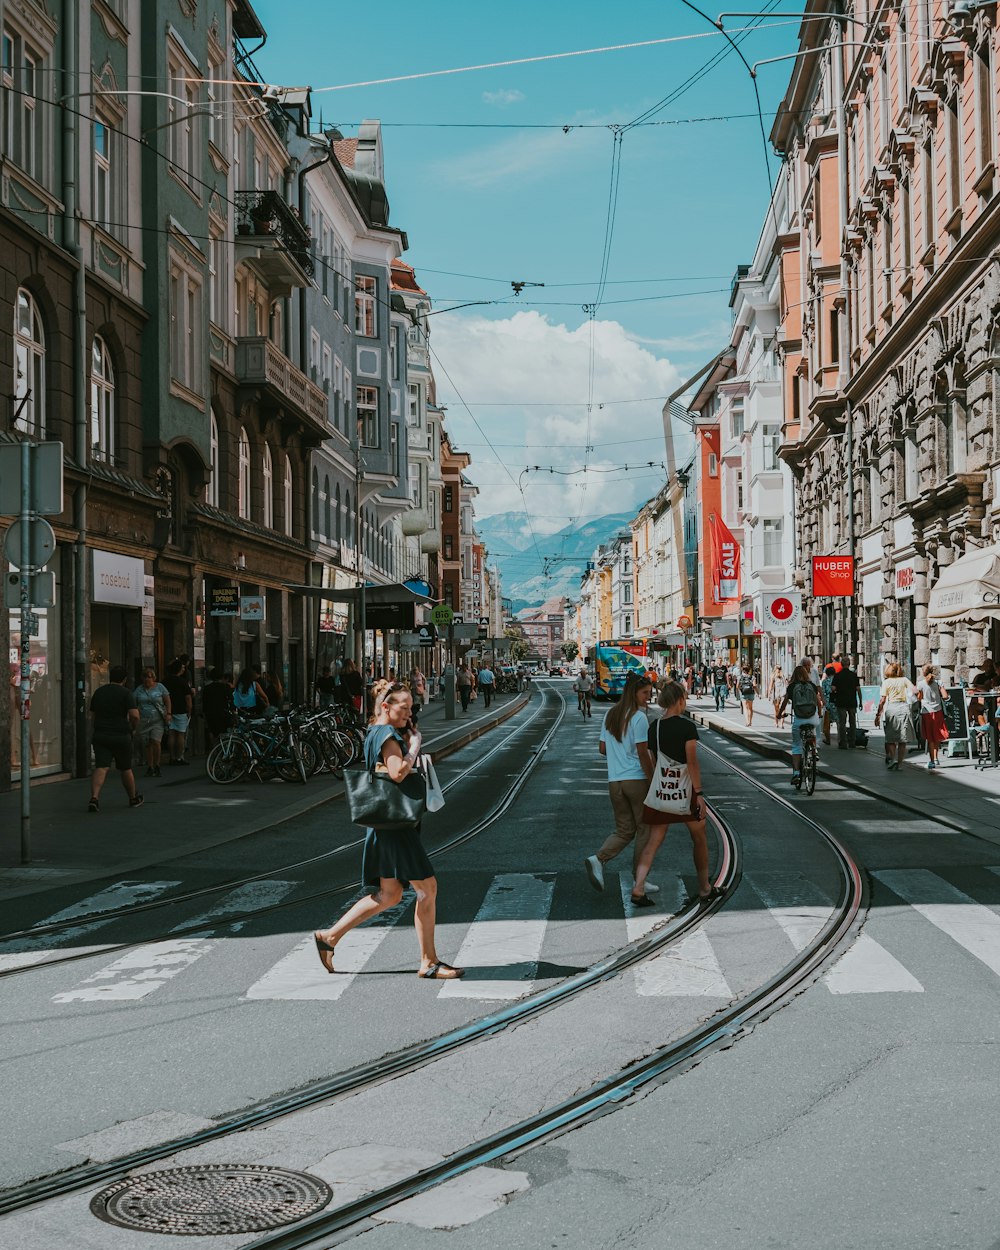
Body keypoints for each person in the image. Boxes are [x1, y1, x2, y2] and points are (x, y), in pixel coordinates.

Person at [312, 682, 464, 980]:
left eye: (410, 708)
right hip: (396, 827)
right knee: (427, 889)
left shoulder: (373, 732)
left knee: (390, 894)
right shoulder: (386, 735)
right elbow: (396, 773)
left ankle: (329, 937)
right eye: (403, 708)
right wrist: (415, 747)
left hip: (385, 823)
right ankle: (428, 962)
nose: (409, 713)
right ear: (386, 707)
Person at [631, 680, 720, 907]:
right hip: (685, 790)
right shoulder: (686, 727)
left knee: (653, 841)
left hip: (664, 791)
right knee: (699, 838)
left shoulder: (655, 727)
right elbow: (692, 762)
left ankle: (638, 887)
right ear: (680, 700)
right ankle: (704, 888)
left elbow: (655, 761)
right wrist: (698, 794)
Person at [584, 674, 656, 894]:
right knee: (644, 829)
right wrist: (653, 780)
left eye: (650, 692)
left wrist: (619, 754)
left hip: (615, 782)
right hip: (636, 780)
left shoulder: (611, 714)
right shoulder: (639, 718)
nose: (649, 696)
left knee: (624, 830)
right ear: (633, 692)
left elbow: (602, 749)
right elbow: (643, 753)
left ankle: (598, 859)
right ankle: (639, 880)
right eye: (645, 693)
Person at [88, 665, 143, 812]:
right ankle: (133, 798)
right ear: (124, 680)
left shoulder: (99, 692)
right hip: (120, 735)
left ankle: (94, 798)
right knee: (125, 768)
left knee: (101, 766)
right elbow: (134, 715)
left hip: (101, 734)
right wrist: (133, 727)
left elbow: (92, 715)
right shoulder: (126, 693)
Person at [777, 664, 823, 786]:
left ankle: (796, 773)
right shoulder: (812, 686)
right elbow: (819, 703)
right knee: (812, 730)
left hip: (799, 719)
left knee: (796, 745)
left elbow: (784, 702)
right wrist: (820, 713)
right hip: (812, 718)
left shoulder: (792, 687)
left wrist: (779, 714)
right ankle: (814, 751)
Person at [874, 661, 916, 770]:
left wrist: (878, 715)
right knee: (902, 739)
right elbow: (915, 690)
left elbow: (882, 700)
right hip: (903, 708)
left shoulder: (886, 682)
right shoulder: (904, 680)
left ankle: (892, 758)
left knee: (891, 738)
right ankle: (900, 763)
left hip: (892, 709)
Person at [134, 668, 171, 778]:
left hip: (157, 719)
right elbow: (133, 701)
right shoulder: (139, 689)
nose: (147, 679)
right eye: (145, 677)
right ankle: (150, 766)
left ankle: (157, 765)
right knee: (147, 744)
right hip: (144, 720)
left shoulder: (160, 687)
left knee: (156, 741)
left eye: (149, 677)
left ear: (153, 678)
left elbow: (167, 700)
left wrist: (168, 713)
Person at [915, 663, 950, 769]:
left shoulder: (920, 684)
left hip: (927, 712)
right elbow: (945, 696)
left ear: (923, 672)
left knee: (930, 737)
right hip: (938, 711)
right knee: (936, 736)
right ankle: (936, 758)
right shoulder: (939, 682)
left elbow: (919, 698)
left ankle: (932, 760)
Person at [163, 657, 193, 765]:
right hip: (181, 710)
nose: (183, 669)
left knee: (171, 734)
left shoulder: (164, 681)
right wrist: (189, 710)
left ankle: (171, 756)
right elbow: (188, 698)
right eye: (182, 668)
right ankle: (179, 757)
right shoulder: (183, 682)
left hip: (168, 711)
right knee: (180, 734)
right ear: (179, 669)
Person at [830, 659, 863, 749]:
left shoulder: (837, 676)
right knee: (852, 722)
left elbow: (833, 688)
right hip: (852, 701)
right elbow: (858, 689)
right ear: (849, 664)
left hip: (841, 701)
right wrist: (860, 702)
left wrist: (837, 691)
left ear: (841, 664)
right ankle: (852, 742)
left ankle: (843, 743)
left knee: (842, 722)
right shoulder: (853, 675)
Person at [202, 669, 235, 749]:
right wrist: (233, 711)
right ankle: (223, 749)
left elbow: (204, 701)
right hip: (223, 713)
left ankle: (214, 748)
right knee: (224, 731)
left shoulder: (207, 688)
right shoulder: (225, 687)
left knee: (212, 731)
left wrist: (204, 713)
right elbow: (231, 700)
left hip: (211, 713)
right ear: (222, 677)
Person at [820, 665, 837, 744]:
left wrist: (823, 702)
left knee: (827, 723)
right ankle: (841, 739)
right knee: (839, 722)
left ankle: (828, 739)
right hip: (836, 703)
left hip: (827, 703)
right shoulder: (837, 680)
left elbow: (822, 692)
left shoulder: (824, 682)